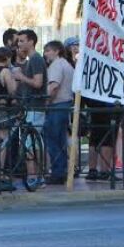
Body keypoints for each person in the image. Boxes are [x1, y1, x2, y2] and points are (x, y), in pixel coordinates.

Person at [43, 40, 74, 185]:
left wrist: (46, 102)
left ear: (56, 51)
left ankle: (58, 172)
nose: (46, 53)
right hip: (65, 104)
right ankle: (61, 170)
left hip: (57, 105)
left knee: (53, 139)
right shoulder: (67, 65)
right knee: (60, 139)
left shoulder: (56, 65)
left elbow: (54, 86)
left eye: (48, 50)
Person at [13, 29, 48, 129]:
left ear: (31, 42)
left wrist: (21, 76)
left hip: (35, 107)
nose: (19, 44)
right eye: (18, 41)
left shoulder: (36, 59)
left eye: (22, 41)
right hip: (30, 107)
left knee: (30, 142)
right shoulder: (31, 59)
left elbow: (38, 83)